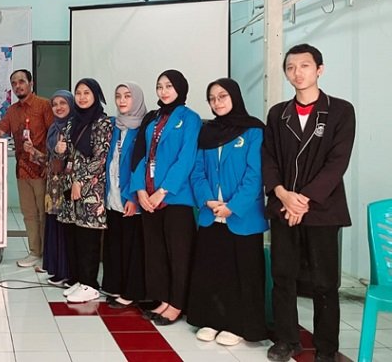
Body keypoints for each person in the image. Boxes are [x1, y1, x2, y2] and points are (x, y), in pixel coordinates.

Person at [263, 44, 356, 362]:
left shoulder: (340, 111)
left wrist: (302, 200)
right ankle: (286, 339)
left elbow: (337, 162)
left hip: (322, 209)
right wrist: (282, 194)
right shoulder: (278, 114)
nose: (297, 72)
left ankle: (326, 348)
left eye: (304, 65)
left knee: (324, 283)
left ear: (319, 69)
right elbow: (269, 159)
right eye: (290, 67)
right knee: (283, 277)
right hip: (283, 207)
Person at [186, 78, 268, 346]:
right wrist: (208, 200)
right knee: (213, 270)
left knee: (242, 271)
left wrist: (232, 206)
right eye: (212, 98)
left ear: (234, 96)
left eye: (222, 96)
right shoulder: (207, 132)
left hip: (243, 216)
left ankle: (238, 325)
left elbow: (255, 176)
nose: (217, 102)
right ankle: (212, 320)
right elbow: (197, 171)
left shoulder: (253, 130)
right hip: (211, 214)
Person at [130, 69, 202, 325]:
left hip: (175, 198)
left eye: (169, 86)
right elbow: (142, 155)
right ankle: (163, 299)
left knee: (178, 253)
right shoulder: (153, 118)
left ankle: (177, 303)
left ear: (180, 88)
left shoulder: (190, 118)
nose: (163, 91)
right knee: (156, 252)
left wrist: (163, 191)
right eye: (160, 86)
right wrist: (140, 190)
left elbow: (186, 158)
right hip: (148, 198)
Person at [0, 69, 53, 268]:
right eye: (14, 83)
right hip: (22, 170)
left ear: (31, 83)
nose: (18, 86)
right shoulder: (12, 111)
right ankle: (35, 252)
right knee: (29, 214)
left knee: (45, 214)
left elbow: (54, 136)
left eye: (21, 81)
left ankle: (50, 255)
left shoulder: (44, 105)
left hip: (43, 169)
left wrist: (48, 160)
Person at [56, 78, 112, 303]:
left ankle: (90, 284)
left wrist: (81, 181)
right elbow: (68, 153)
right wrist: (59, 150)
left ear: (96, 95)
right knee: (74, 236)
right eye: (78, 93)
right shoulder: (73, 122)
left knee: (89, 237)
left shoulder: (103, 123)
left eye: (86, 93)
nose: (81, 97)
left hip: (91, 190)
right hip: (70, 187)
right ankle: (80, 280)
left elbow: (101, 158)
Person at [101, 82, 147, 309]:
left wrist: (133, 197)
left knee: (132, 247)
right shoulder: (116, 126)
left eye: (127, 96)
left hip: (131, 197)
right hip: (113, 195)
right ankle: (116, 285)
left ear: (136, 99)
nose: (122, 101)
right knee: (115, 244)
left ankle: (131, 291)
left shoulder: (144, 129)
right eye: (118, 96)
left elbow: (142, 166)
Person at [23, 90, 74, 286]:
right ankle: (55, 268)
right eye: (55, 104)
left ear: (71, 104)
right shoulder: (54, 128)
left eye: (63, 103)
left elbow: (73, 160)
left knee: (65, 230)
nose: (58, 107)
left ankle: (66, 272)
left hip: (67, 187)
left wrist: (61, 155)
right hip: (52, 188)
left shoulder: (74, 127)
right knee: (54, 227)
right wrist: (34, 152)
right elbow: (51, 161)